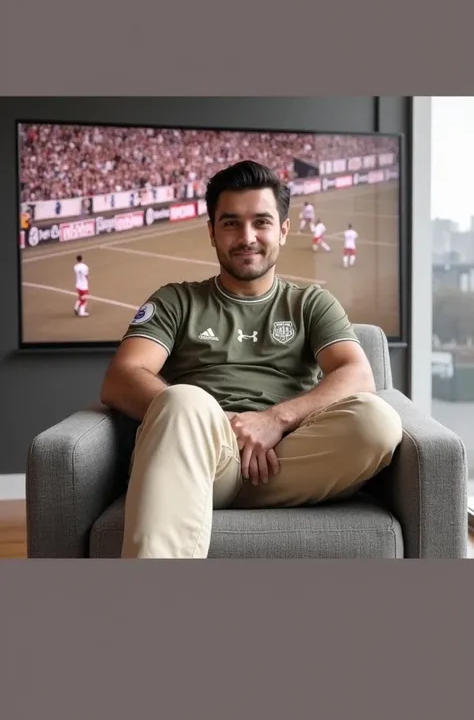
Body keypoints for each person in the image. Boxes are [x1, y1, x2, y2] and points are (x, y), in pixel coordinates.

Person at [100, 160, 402, 559]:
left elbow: (358, 374)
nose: (247, 237)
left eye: (261, 222)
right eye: (230, 223)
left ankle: (194, 500)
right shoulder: (176, 300)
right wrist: (220, 426)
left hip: (290, 458)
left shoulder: (310, 303)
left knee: (378, 421)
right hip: (199, 455)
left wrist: (274, 420)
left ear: (283, 229)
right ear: (211, 231)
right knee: (183, 401)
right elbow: (122, 377)